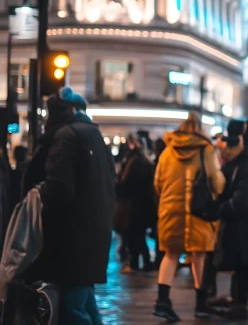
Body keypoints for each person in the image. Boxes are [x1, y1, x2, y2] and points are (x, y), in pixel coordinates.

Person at [22, 88, 116, 323]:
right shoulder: (93, 134)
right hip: (92, 234)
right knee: (84, 301)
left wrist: (37, 192)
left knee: (73, 308)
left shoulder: (66, 136)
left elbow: (60, 189)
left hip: (72, 238)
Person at [153, 112, 225, 321]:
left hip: (170, 211)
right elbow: (217, 183)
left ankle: (162, 301)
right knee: (199, 256)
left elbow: (158, 183)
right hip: (197, 213)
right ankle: (201, 303)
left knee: (170, 255)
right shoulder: (207, 151)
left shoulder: (167, 152)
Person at [211, 120, 248, 320]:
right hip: (242, 223)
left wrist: (222, 208)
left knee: (243, 265)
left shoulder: (247, 164)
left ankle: (240, 305)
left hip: (246, 224)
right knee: (239, 264)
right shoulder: (241, 162)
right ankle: (236, 301)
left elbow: (242, 198)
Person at [116, 136, 156, 273]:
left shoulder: (135, 160)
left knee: (135, 234)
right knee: (138, 235)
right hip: (142, 204)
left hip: (135, 205)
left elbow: (127, 183)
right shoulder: (143, 160)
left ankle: (136, 263)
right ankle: (143, 262)